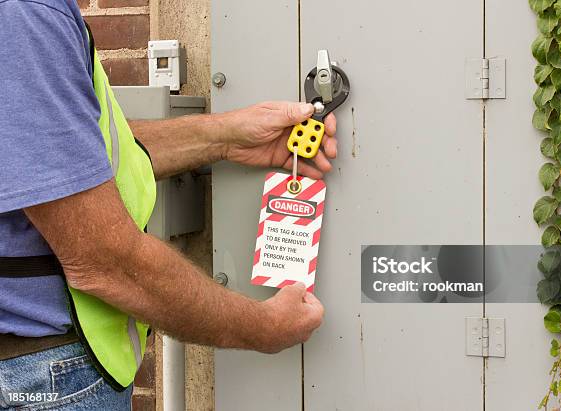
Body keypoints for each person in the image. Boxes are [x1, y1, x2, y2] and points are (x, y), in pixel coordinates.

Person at [0, 0, 336, 409]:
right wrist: (263, 328)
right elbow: (106, 262)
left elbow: (76, 156)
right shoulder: (24, 14)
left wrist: (227, 136)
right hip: (43, 380)